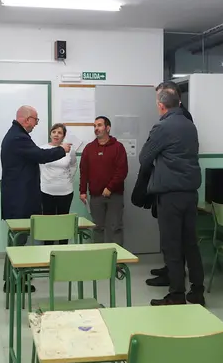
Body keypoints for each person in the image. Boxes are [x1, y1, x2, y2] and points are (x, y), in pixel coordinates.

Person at [139, 87, 204, 306]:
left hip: (170, 196)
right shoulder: (190, 125)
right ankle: (197, 292)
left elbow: (144, 158)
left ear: (161, 105)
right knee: (190, 245)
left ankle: (176, 295)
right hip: (190, 194)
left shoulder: (162, 126)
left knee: (172, 245)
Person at [1, 105, 71, 290]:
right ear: (26, 119)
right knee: (18, 241)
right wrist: (62, 149)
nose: (36, 124)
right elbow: (40, 155)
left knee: (19, 241)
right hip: (19, 200)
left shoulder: (17, 135)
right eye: (36, 120)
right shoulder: (18, 138)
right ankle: (14, 282)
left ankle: (13, 279)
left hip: (18, 198)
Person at [79, 116, 128, 245]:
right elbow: (84, 171)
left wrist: (110, 188)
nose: (96, 128)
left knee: (115, 228)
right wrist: (82, 190)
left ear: (108, 128)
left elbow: (122, 171)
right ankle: (99, 261)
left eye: (99, 125)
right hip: (95, 196)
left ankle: (117, 262)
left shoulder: (118, 147)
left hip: (114, 195)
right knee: (97, 228)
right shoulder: (89, 148)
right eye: (95, 126)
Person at [40, 123, 77, 244]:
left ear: (63, 136)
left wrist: (68, 179)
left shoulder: (69, 150)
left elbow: (73, 166)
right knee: (48, 224)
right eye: (54, 131)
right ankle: (47, 251)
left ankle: (62, 251)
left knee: (63, 224)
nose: (56, 134)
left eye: (60, 132)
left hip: (65, 192)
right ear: (50, 134)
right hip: (46, 191)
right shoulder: (42, 149)